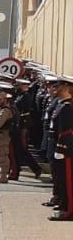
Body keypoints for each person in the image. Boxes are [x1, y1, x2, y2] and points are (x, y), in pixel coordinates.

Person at [49, 76, 73, 222]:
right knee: (62, 179)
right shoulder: (62, 105)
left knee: (68, 179)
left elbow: (67, 132)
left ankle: (69, 210)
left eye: (60, 87)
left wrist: (61, 147)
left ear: (67, 89)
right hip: (60, 147)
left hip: (67, 150)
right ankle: (64, 204)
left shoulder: (68, 107)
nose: (57, 89)